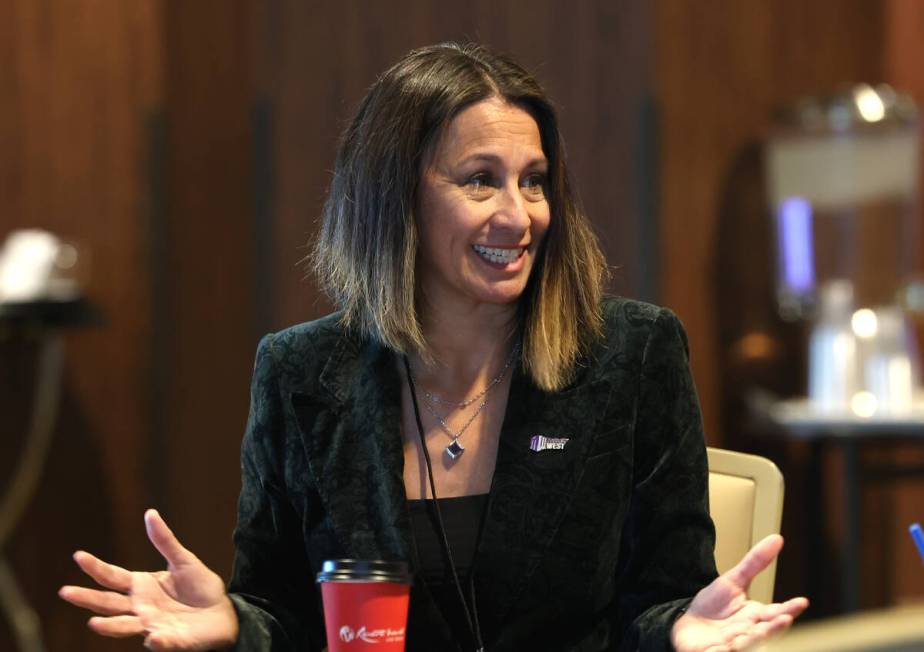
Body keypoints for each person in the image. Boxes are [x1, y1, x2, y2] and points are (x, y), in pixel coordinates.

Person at [59, 42, 807, 651]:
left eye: (535, 182)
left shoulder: (632, 356)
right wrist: (235, 624)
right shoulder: (301, 374)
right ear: (396, 198)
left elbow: (659, 601)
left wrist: (681, 627)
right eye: (480, 181)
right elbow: (283, 609)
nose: (519, 216)